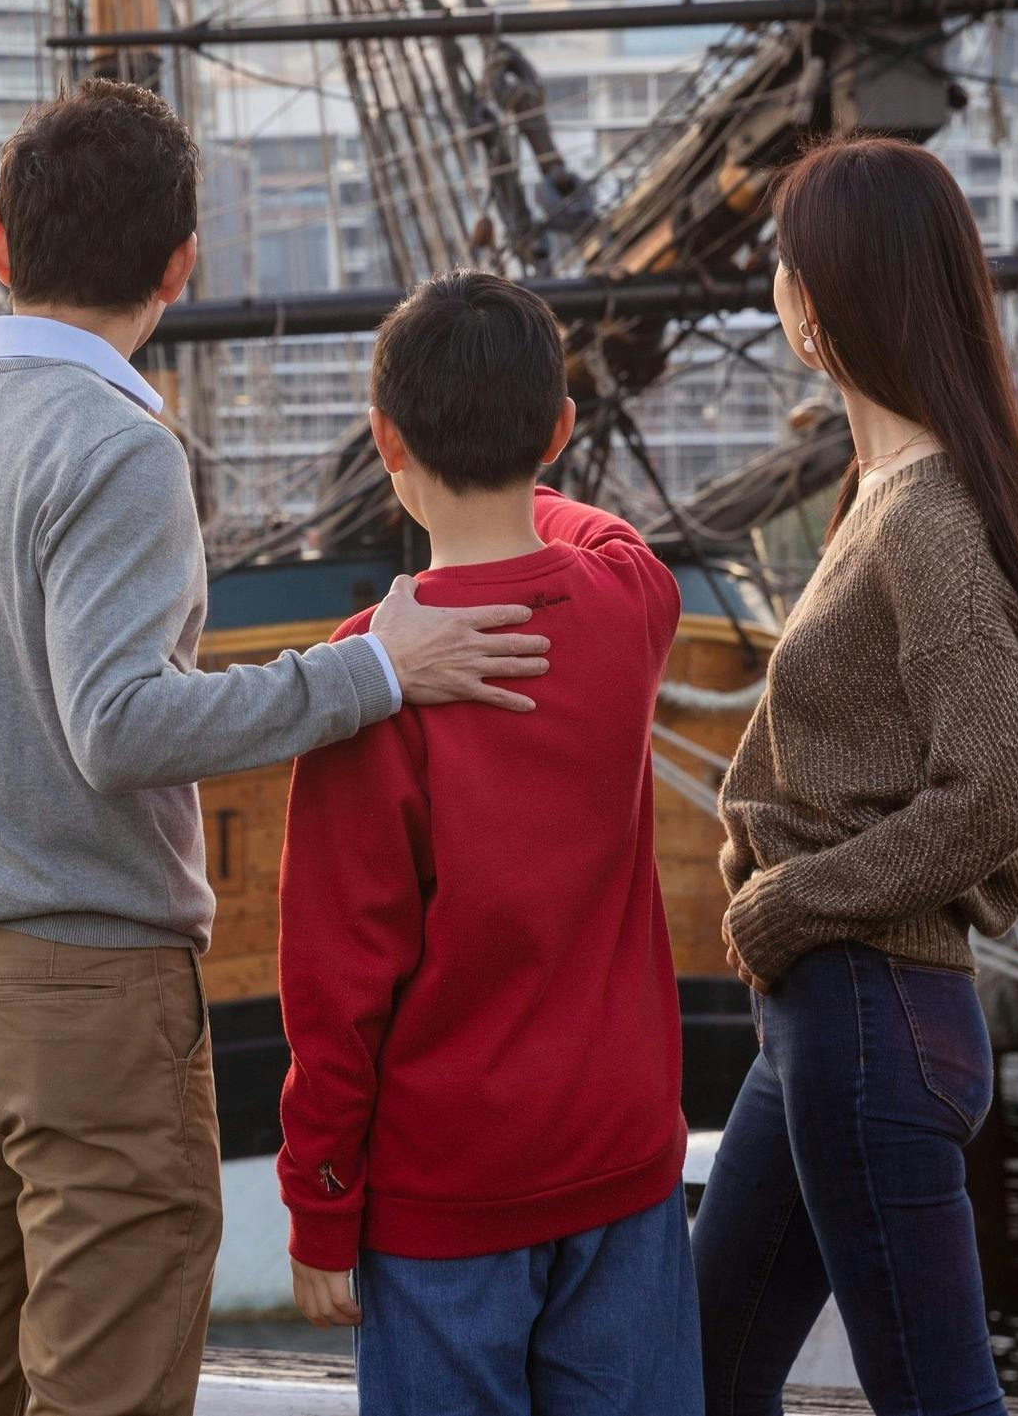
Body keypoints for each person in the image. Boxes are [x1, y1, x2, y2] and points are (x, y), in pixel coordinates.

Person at [0, 79, 557, 1416]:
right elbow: (121, 726)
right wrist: (372, 670)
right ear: (182, 264)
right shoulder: (117, 448)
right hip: (77, 991)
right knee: (107, 1390)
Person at [275, 271, 697, 1416]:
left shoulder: (376, 672)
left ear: (385, 442)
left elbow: (336, 981)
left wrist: (320, 1202)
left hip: (444, 1203)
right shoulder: (631, 603)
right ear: (560, 431)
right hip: (622, 1172)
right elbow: (597, 531)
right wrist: (529, 504)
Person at [692, 136, 1018, 1416]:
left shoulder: (929, 518)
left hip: (870, 1007)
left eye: (787, 263)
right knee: (703, 1370)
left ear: (833, 293)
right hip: (826, 1023)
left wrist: (795, 898)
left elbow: (996, 790)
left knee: (935, 1397)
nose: (776, 288)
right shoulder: (884, 494)